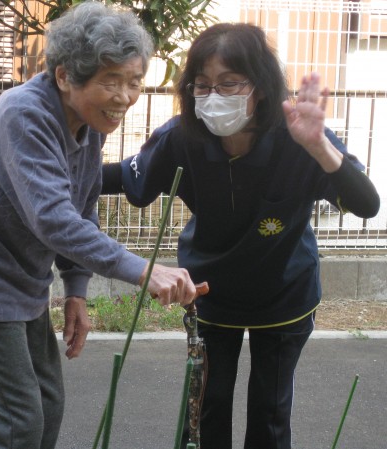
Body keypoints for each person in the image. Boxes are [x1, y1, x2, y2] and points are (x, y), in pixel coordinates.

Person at [0, 2, 199, 449]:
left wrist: (76, 289)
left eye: (134, 81)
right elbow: (54, 219)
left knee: (48, 402)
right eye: (111, 81)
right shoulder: (25, 114)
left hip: (20, 265)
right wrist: (144, 270)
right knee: (16, 422)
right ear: (64, 76)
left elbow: (81, 202)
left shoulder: (89, 120)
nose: (124, 97)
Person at [102, 23, 380, 449]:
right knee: (205, 407)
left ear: (261, 87)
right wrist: (56, 169)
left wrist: (320, 148)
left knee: (270, 413)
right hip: (210, 290)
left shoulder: (299, 136)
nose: (213, 96)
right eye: (202, 85)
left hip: (284, 292)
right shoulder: (182, 136)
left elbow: (366, 204)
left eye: (229, 83)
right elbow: (123, 178)